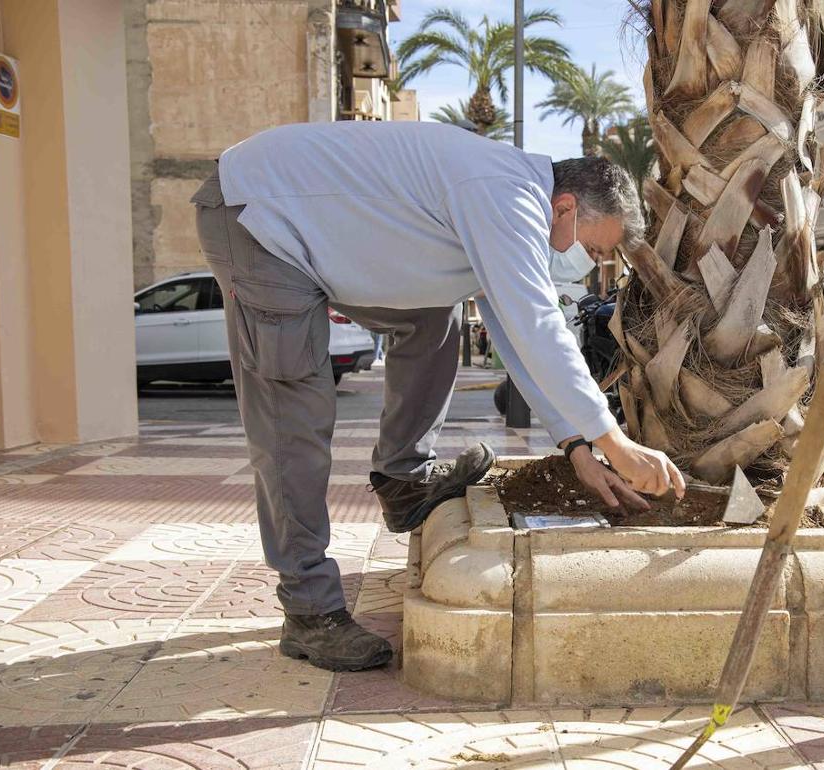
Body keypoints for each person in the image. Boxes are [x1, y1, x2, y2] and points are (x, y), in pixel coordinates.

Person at [190, 121, 685, 673]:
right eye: (591, 246)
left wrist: (577, 446)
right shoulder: (504, 196)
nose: (585, 262)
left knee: (434, 312)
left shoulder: (507, 200)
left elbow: (517, 337)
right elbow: (537, 325)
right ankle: (309, 610)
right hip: (257, 217)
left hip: (311, 226)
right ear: (564, 206)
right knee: (294, 420)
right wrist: (615, 443)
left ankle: (402, 480)